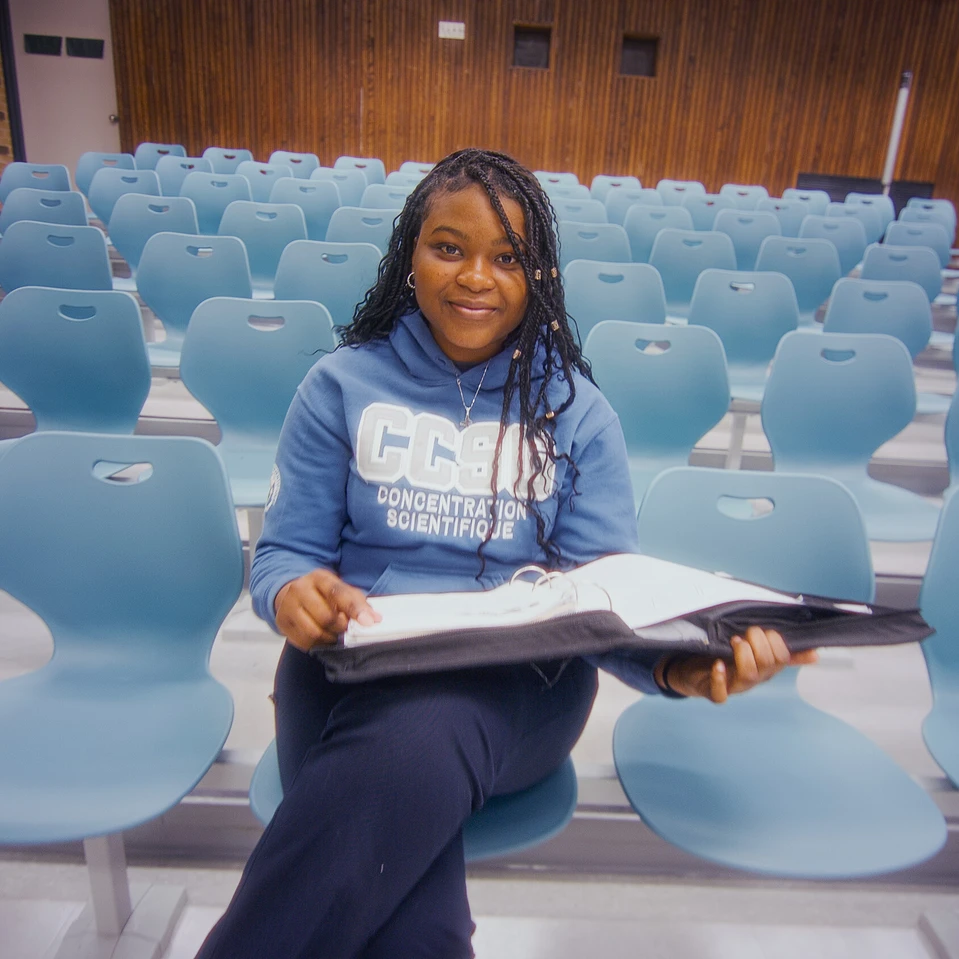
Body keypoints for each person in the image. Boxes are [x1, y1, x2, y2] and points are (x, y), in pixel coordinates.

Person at [195, 148, 816, 959]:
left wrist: (676, 667)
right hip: (347, 666)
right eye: (448, 247)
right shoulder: (340, 386)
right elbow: (285, 554)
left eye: (507, 256)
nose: (475, 277)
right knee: (415, 917)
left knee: (425, 729)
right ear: (407, 258)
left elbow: (603, 591)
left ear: (538, 276)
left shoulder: (577, 414)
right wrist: (292, 594)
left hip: (519, 688)